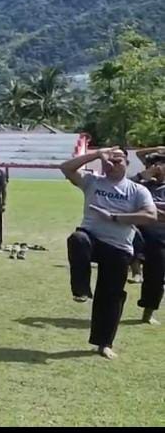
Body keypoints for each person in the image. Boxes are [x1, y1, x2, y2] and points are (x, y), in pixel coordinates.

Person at [61, 147, 157, 359]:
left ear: (128, 164)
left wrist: (114, 216)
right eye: (109, 160)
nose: (113, 163)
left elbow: (150, 216)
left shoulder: (137, 190)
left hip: (119, 247)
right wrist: (97, 154)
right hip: (91, 239)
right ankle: (81, 289)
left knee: (111, 297)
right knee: (77, 239)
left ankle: (103, 343)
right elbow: (66, 168)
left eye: (119, 160)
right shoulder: (93, 182)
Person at [132, 150, 165, 325]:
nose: (155, 168)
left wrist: (149, 210)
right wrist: (141, 176)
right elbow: (122, 190)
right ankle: (136, 271)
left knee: (156, 277)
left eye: (160, 164)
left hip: (159, 238)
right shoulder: (141, 185)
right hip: (136, 233)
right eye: (152, 165)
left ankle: (148, 313)